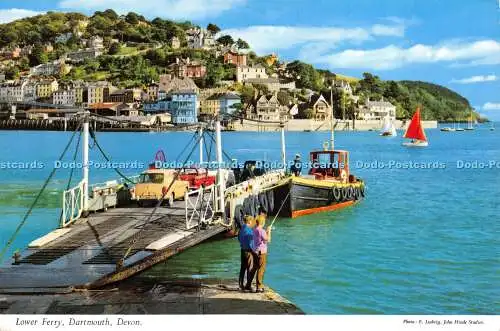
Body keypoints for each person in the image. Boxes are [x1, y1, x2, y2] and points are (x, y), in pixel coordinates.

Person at [253, 213, 272, 292]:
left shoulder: (254, 229)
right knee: (261, 269)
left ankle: (257, 285)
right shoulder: (261, 231)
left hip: (256, 251)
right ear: (262, 222)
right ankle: (259, 287)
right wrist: (269, 231)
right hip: (262, 252)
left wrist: (266, 231)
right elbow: (268, 240)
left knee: (257, 268)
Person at [238, 215, 256, 291]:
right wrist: (254, 251)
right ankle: (248, 285)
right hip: (249, 251)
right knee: (250, 268)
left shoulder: (242, 228)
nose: (253, 223)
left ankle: (240, 284)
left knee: (243, 268)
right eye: (252, 221)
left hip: (242, 250)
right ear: (249, 221)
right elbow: (251, 243)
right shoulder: (249, 230)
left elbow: (239, 238)